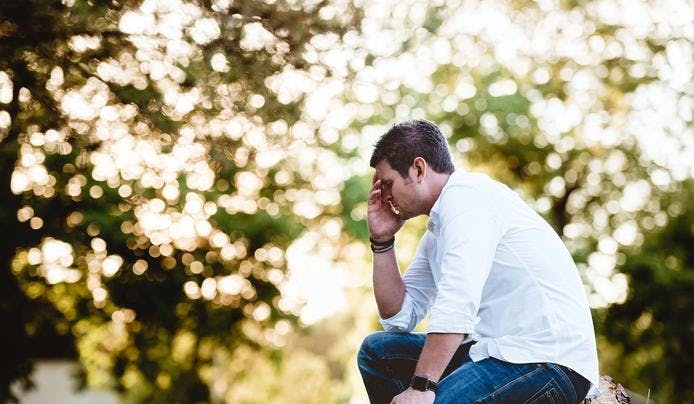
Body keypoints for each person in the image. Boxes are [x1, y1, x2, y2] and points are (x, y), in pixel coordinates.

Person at [358, 120, 599, 403]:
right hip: (494, 352)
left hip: (545, 361)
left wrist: (422, 387)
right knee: (378, 351)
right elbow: (399, 317)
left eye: (388, 183)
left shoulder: (466, 200)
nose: (384, 196)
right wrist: (382, 241)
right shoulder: (438, 230)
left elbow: (458, 300)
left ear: (418, 169)